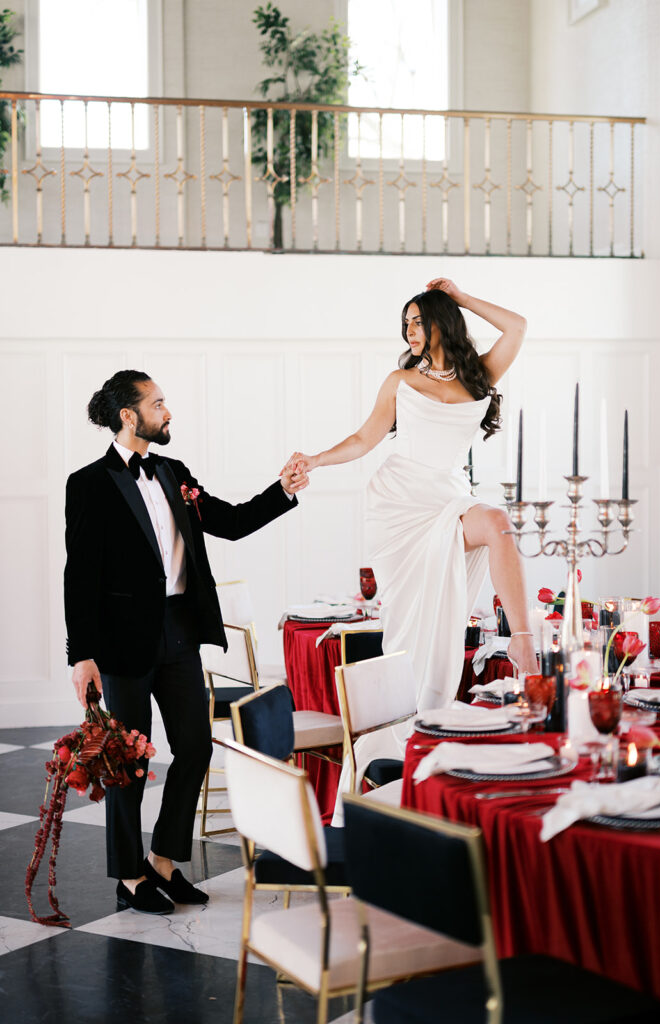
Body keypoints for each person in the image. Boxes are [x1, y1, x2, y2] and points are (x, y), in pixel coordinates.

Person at [64, 370, 308, 915]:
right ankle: (129, 879)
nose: (168, 411)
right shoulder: (88, 484)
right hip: (122, 646)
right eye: (158, 403)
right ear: (129, 415)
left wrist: (283, 490)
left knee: (195, 746)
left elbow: (231, 521)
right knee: (126, 761)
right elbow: (78, 576)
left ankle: (164, 864)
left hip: (180, 633)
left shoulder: (174, 472)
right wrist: (81, 654)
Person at [284, 276, 535, 717]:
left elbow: (516, 326)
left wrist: (460, 296)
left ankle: (523, 643)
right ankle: (402, 712)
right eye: (406, 325)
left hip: (450, 494)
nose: (410, 332)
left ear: (443, 322)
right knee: (410, 619)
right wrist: (316, 459)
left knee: (496, 522)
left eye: (418, 322)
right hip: (400, 503)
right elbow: (364, 438)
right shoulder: (400, 380)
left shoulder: (479, 375)